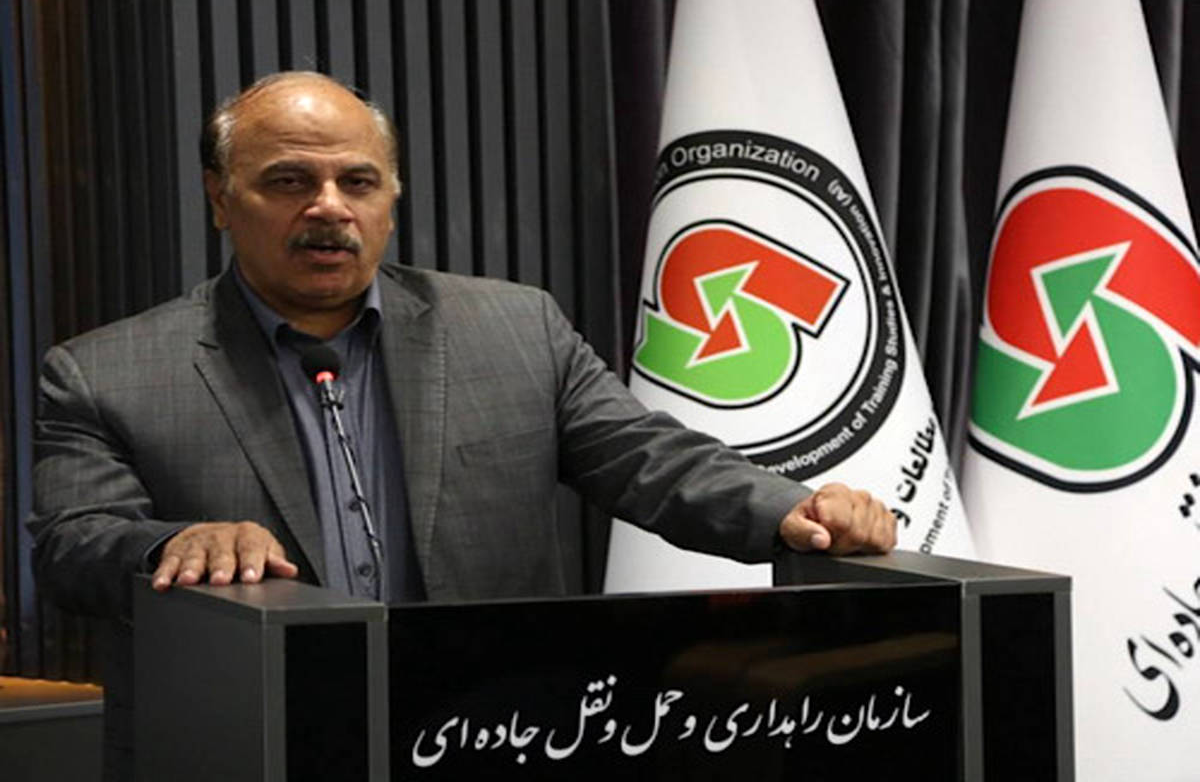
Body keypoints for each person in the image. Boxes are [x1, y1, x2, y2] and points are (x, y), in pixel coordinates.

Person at [28, 71, 895, 777]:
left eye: (358, 182)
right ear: (221, 198)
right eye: (289, 181)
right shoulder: (106, 373)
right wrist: (173, 544)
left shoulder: (513, 329)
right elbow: (73, 543)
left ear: (391, 198)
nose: (328, 206)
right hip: (249, 745)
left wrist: (788, 508)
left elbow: (644, 456)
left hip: (491, 734)